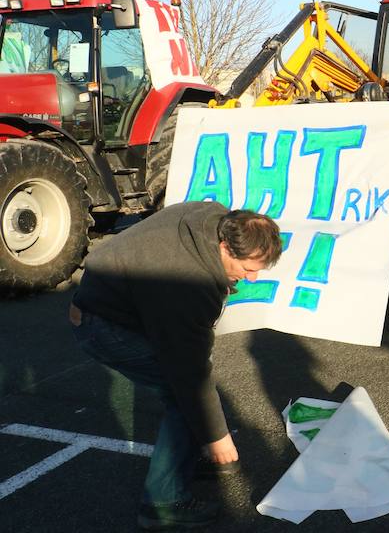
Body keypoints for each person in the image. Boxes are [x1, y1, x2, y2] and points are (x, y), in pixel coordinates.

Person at [70, 201, 282, 529]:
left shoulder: (212, 218)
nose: (252, 279)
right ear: (225, 247)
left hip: (120, 298)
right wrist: (217, 437)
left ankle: (185, 458)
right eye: (248, 268)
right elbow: (189, 373)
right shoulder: (189, 284)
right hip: (103, 325)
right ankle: (162, 504)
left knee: (190, 396)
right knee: (185, 399)